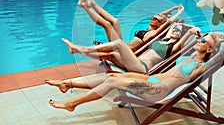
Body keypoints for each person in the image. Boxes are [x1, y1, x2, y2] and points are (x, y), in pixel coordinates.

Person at [46, 32, 224, 112]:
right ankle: (67, 84)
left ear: (210, 50)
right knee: (112, 76)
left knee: (112, 82)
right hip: (150, 79)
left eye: (205, 40)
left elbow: (220, 56)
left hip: (157, 90)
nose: (201, 39)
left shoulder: (200, 67)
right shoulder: (189, 56)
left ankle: (72, 103)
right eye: (203, 37)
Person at [61, 23, 198, 73]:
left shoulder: (173, 47)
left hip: (141, 67)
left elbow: (189, 34)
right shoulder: (164, 39)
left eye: (179, 30)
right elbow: (172, 27)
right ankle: (78, 50)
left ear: (181, 36)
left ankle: (82, 49)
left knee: (119, 44)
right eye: (174, 29)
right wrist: (176, 25)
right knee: (110, 55)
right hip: (134, 62)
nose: (175, 30)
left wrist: (192, 30)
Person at [78, 0, 184, 52]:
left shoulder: (154, 33)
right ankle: (92, 4)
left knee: (107, 24)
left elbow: (168, 21)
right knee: (115, 21)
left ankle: (85, 7)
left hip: (124, 54)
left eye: (155, 19)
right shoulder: (149, 29)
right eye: (152, 17)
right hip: (122, 47)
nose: (152, 18)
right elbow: (162, 15)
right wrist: (174, 8)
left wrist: (179, 12)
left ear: (159, 24)